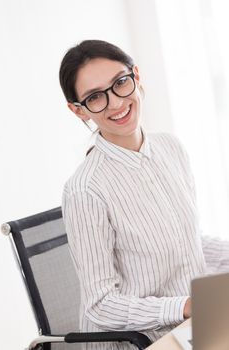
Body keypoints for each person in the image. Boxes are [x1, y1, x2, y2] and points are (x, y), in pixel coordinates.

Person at [59, 39, 229, 349]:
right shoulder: (86, 190)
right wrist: (186, 305)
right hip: (139, 340)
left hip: (193, 326)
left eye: (120, 83)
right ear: (78, 110)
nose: (115, 103)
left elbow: (188, 242)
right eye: (96, 97)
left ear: (137, 77)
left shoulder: (171, 148)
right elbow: (100, 304)